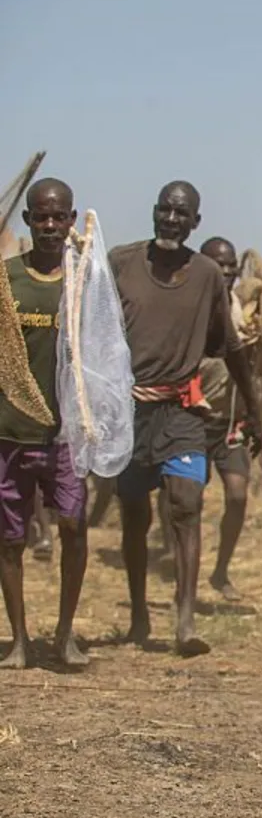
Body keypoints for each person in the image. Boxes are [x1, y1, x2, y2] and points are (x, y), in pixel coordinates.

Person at [109, 181, 262, 656]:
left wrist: (254, 409)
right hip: (130, 413)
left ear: (195, 222)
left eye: (182, 214)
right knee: (135, 517)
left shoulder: (206, 275)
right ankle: (139, 616)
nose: (171, 220)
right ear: (154, 213)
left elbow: (228, 346)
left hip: (182, 412)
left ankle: (185, 623)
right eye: (164, 210)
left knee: (186, 503)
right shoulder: (121, 263)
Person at [0, 178, 90, 669]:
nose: (50, 225)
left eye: (59, 216)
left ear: (72, 220)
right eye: (41, 217)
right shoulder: (5, 279)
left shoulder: (85, 283)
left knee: (73, 527)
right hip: (8, 431)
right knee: (11, 539)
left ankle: (64, 633)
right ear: (28, 221)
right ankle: (18, 640)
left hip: (66, 434)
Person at [196, 237, 260, 602]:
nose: (226, 271)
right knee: (186, 498)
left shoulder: (242, 312)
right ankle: (181, 562)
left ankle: (221, 571)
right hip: (191, 418)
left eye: (231, 264)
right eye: (218, 265)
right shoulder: (190, 308)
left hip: (231, 423)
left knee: (236, 496)